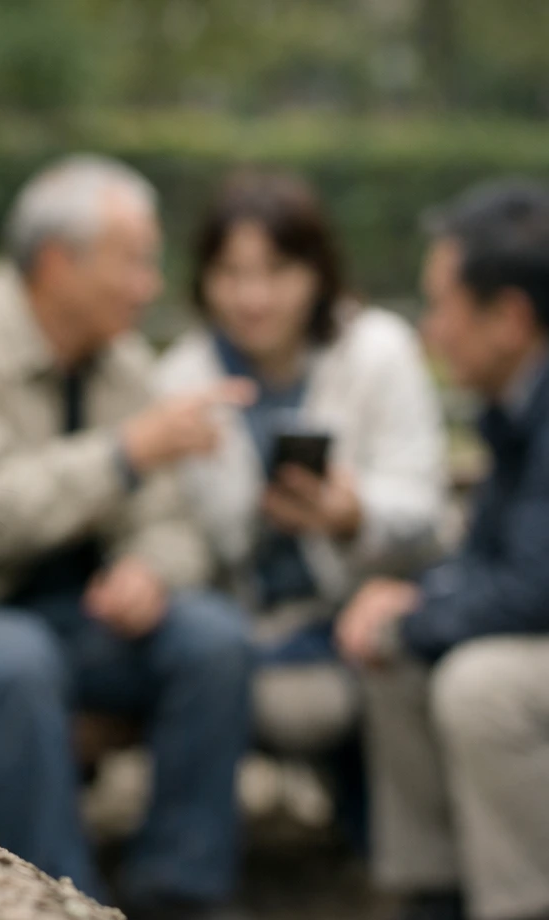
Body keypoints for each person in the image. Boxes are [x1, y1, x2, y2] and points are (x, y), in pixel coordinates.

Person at [0, 155, 285, 920]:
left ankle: (183, 892)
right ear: (61, 262)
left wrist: (150, 570)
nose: (150, 284)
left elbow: (172, 523)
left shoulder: (124, 361)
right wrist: (126, 453)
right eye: (135, 259)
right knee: (15, 662)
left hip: (79, 622)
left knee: (211, 637)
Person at [155, 170, 446, 785]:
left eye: (276, 273)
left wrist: (352, 514)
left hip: (366, 604)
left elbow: (423, 500)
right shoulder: (183, 378)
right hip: (247, 621)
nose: (251, 298)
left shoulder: (379, 351)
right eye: (231, 274)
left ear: (317, 273)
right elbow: (185, 535)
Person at [337, 179, 549, 920]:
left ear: (509, 317)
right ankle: (445, 895)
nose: (432, 330)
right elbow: (504, 560)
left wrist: (419, 611)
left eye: (445, 306)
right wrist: (417, 601)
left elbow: (534, 588)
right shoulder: (518, 400)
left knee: (481, 685)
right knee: (397, 647)